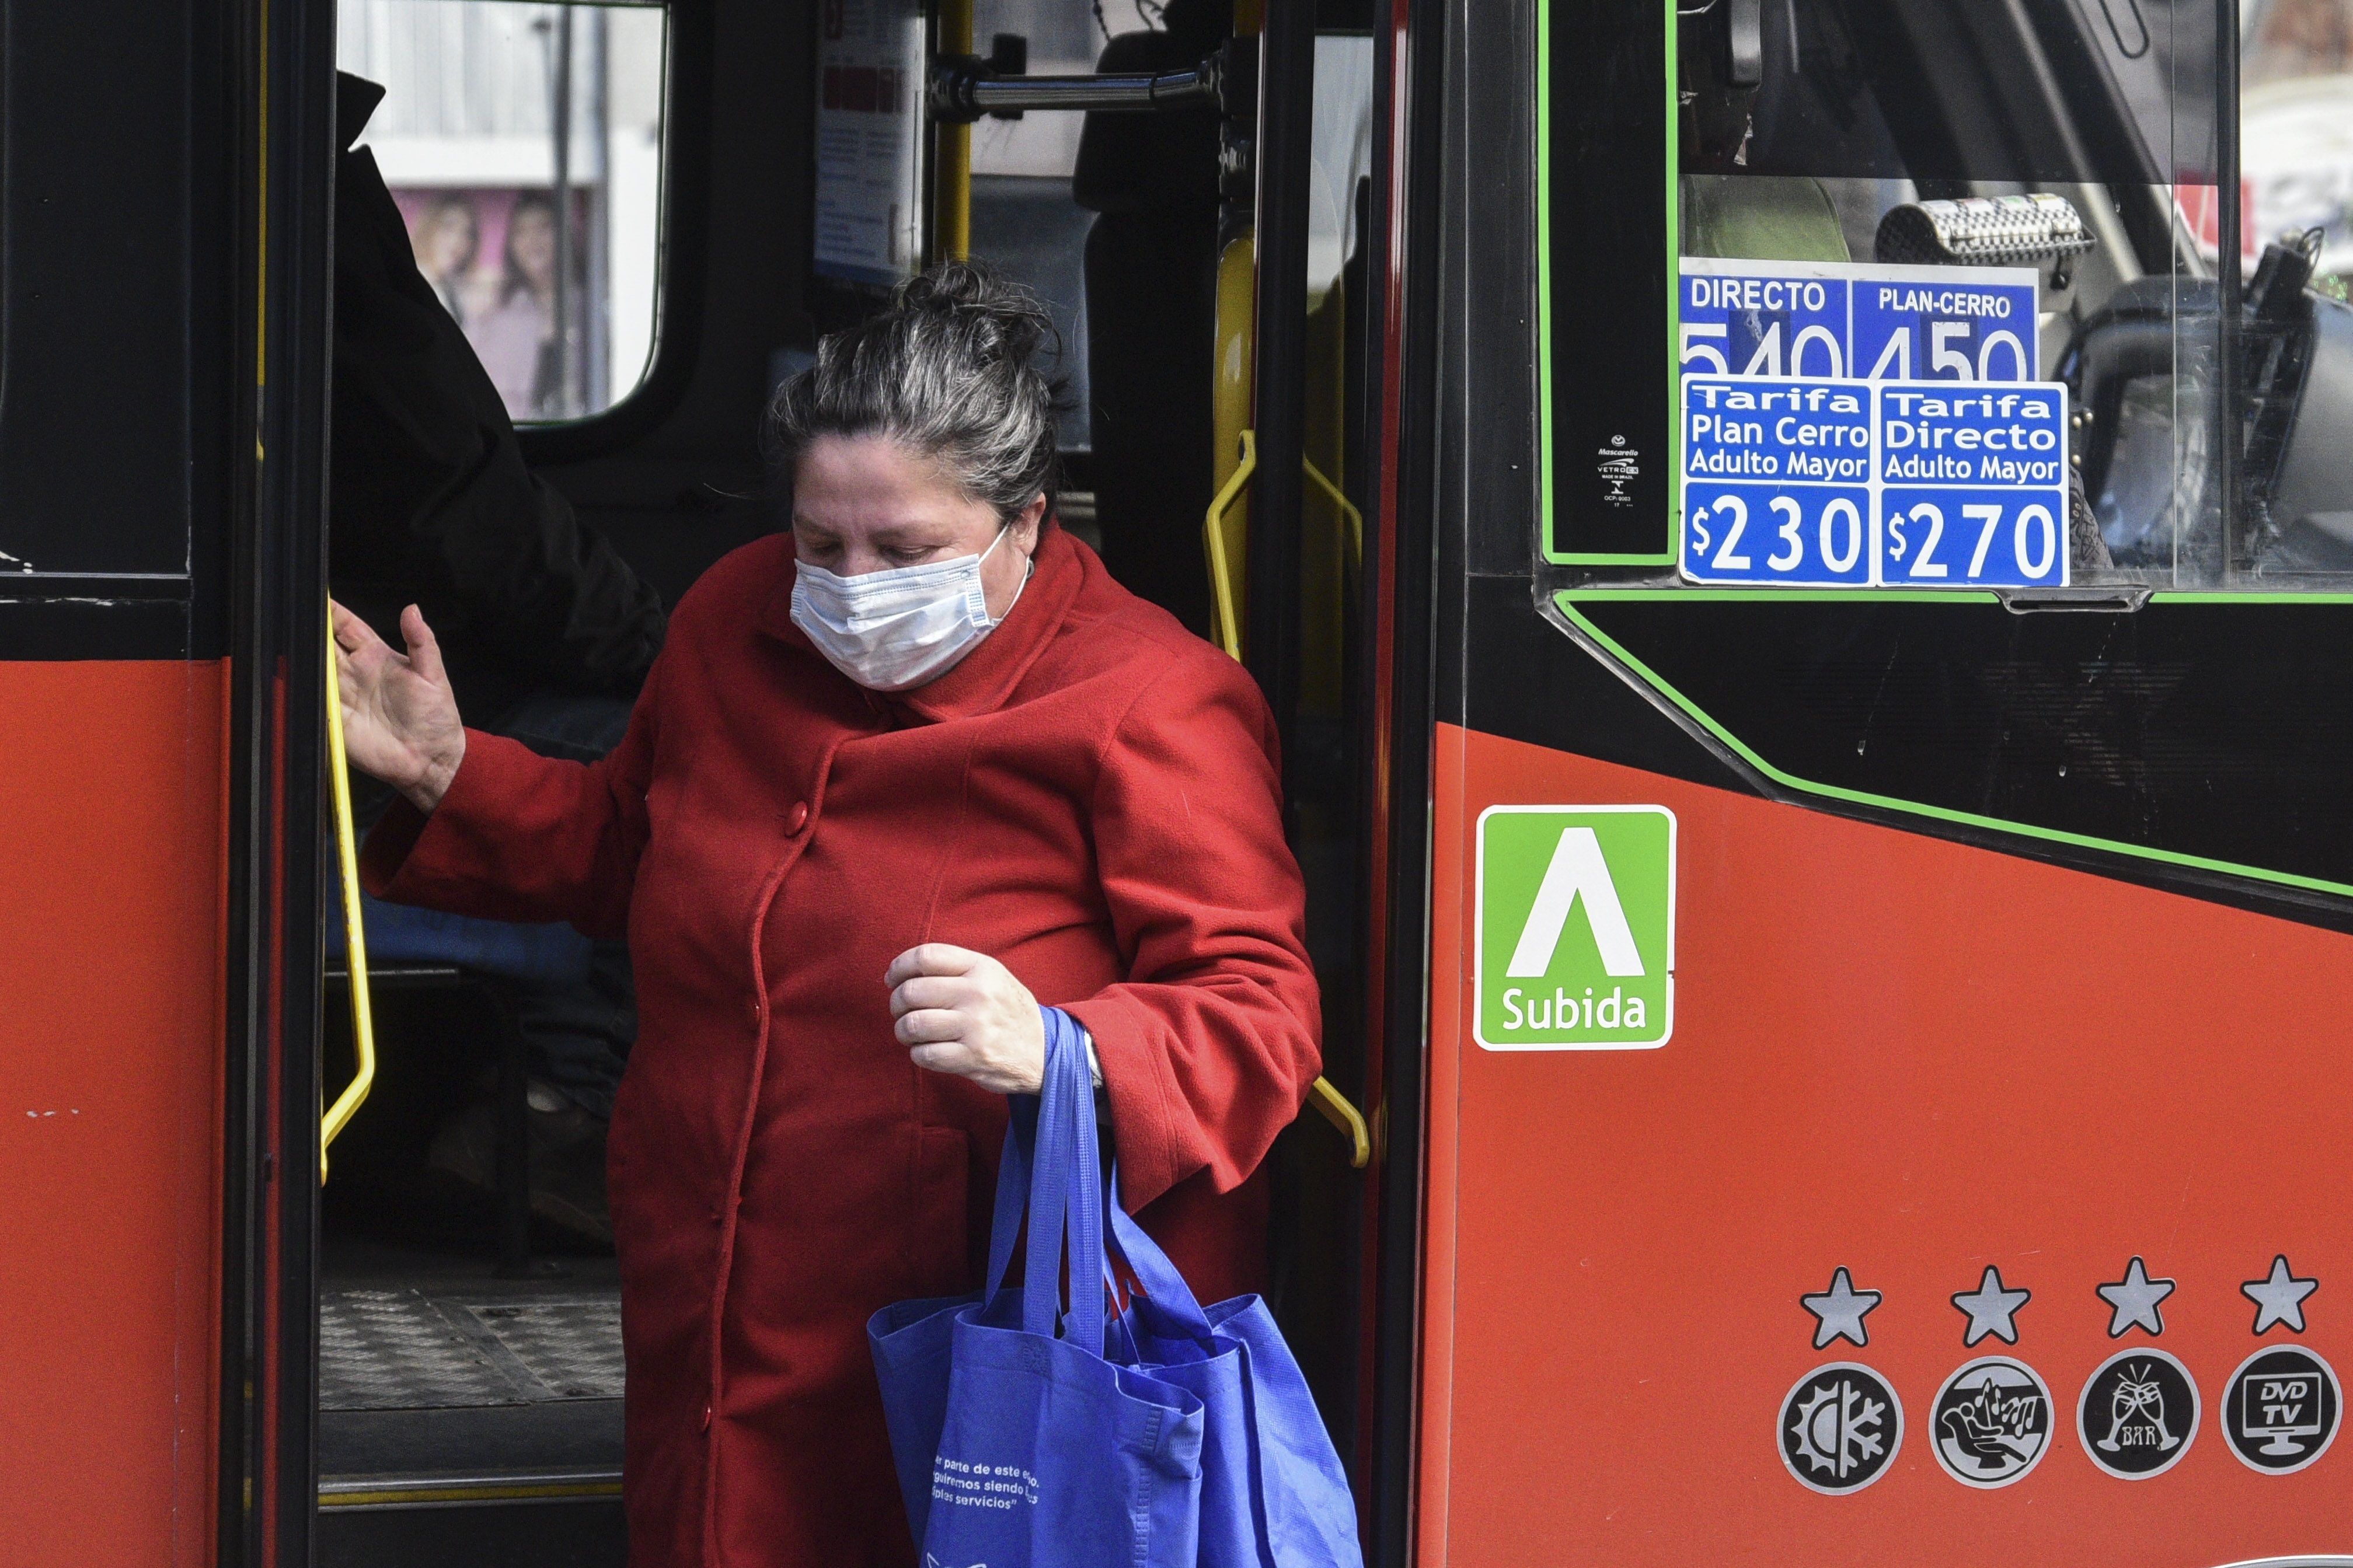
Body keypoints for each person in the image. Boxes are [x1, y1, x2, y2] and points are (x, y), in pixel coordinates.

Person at [334, 261, 1323, 1566]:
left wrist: (1064, 1045)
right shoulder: (735, 615)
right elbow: (629, 847)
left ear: (1026, 522)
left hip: (963, 1310)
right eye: (820, 540)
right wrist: (453, 772)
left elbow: (1257, 1007)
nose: (851, 584)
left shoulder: (1150, 697)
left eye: (905, 550)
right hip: (708, 1272)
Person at [332, 72, 663, 1239]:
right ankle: (559, 1103)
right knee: (670, 754)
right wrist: (656, 648)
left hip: (344, 670)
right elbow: (466, 511)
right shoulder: (305, 232)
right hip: (334, 711)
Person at [470, 192, 566, 418]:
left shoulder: (588, 302)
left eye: (543, 227)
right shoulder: (496, 310)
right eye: (522, 232)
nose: (533, 240)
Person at [407, 193, 480, 328]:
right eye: (448, 227)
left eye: (467, 233)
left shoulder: (453, 292)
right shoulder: (407, 284)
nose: (457, 241)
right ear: (429, 228)